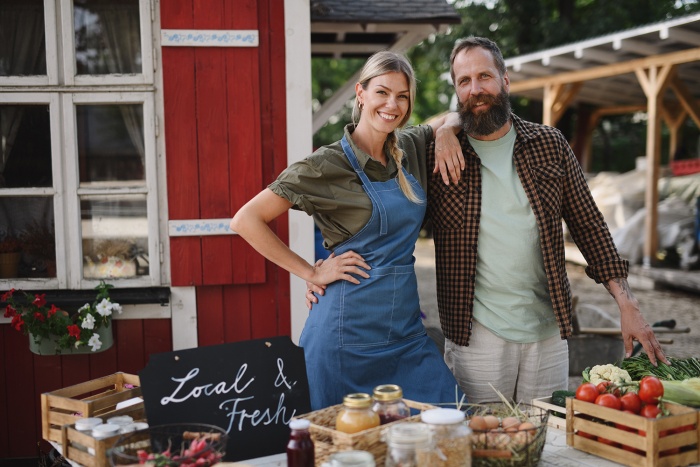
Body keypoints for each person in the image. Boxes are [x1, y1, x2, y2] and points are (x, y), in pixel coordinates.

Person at [427, 36, 669, 404]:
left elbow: (590, 226)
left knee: (547, 445)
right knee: (484, 445)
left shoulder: (549, 144)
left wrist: (627, 304)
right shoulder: (439, 156)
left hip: (548, 334)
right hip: (476, 337)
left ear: (505, 81)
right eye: (464, 81)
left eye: (484, 77)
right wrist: (444, 129)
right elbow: (385, 153)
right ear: (456, 90)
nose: (475, 90)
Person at [231, 51, 464, 410]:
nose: (392, 104)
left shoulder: (410, 147)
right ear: (361, 93)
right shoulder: (326, 164)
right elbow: (245, 219)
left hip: (404, 333)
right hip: (343, 338)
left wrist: (447, 131)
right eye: (382, 92)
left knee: (452, 416)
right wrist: (309, 271)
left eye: (402, 96)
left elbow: (457, 111)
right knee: (341, 447)